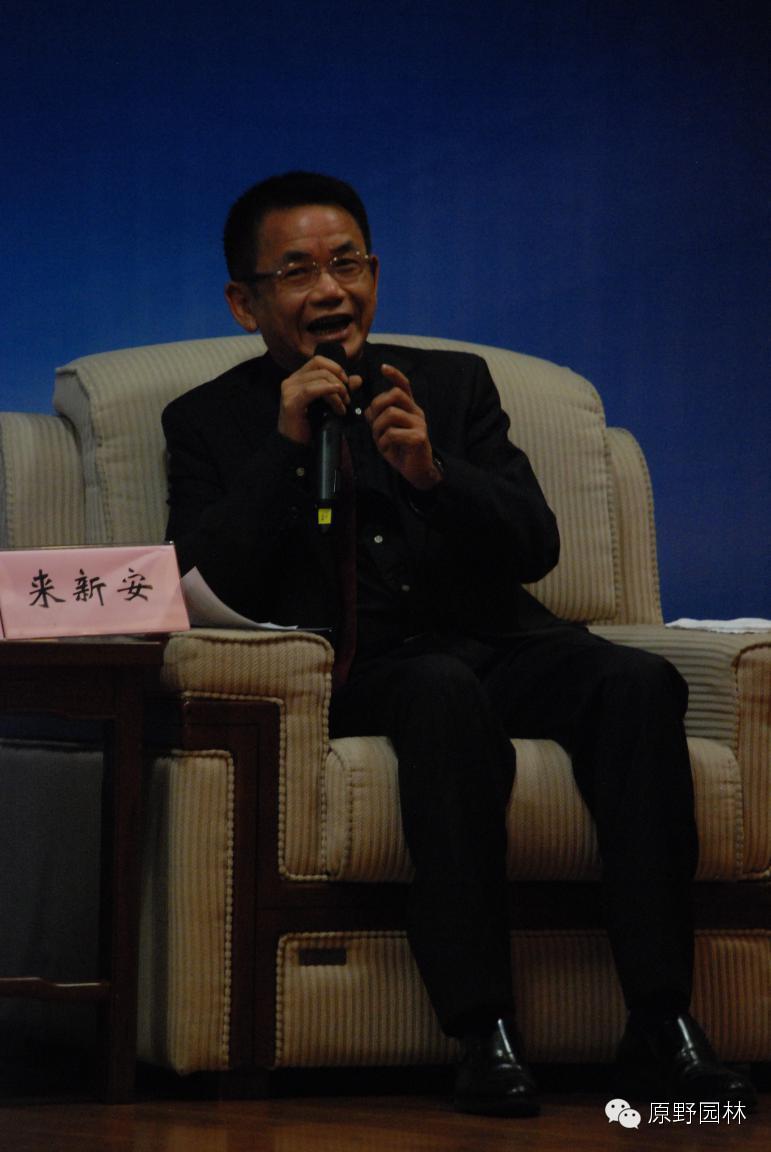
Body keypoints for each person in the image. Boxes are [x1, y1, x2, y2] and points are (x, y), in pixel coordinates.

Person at [162, 171, 756, 1116]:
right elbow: (200, 587)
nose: (330, 290)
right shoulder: (205, 421)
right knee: (440, 692)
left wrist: (433, 472)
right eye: (298, 271)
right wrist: (284, 449)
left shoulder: (449, 385)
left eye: (348, 263)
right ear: (246, 303)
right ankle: (482, 1030)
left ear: (374, 274)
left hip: (502, 642)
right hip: (362, 670)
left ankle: (661, 1021)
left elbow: (536, 544)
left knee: (635, 682)